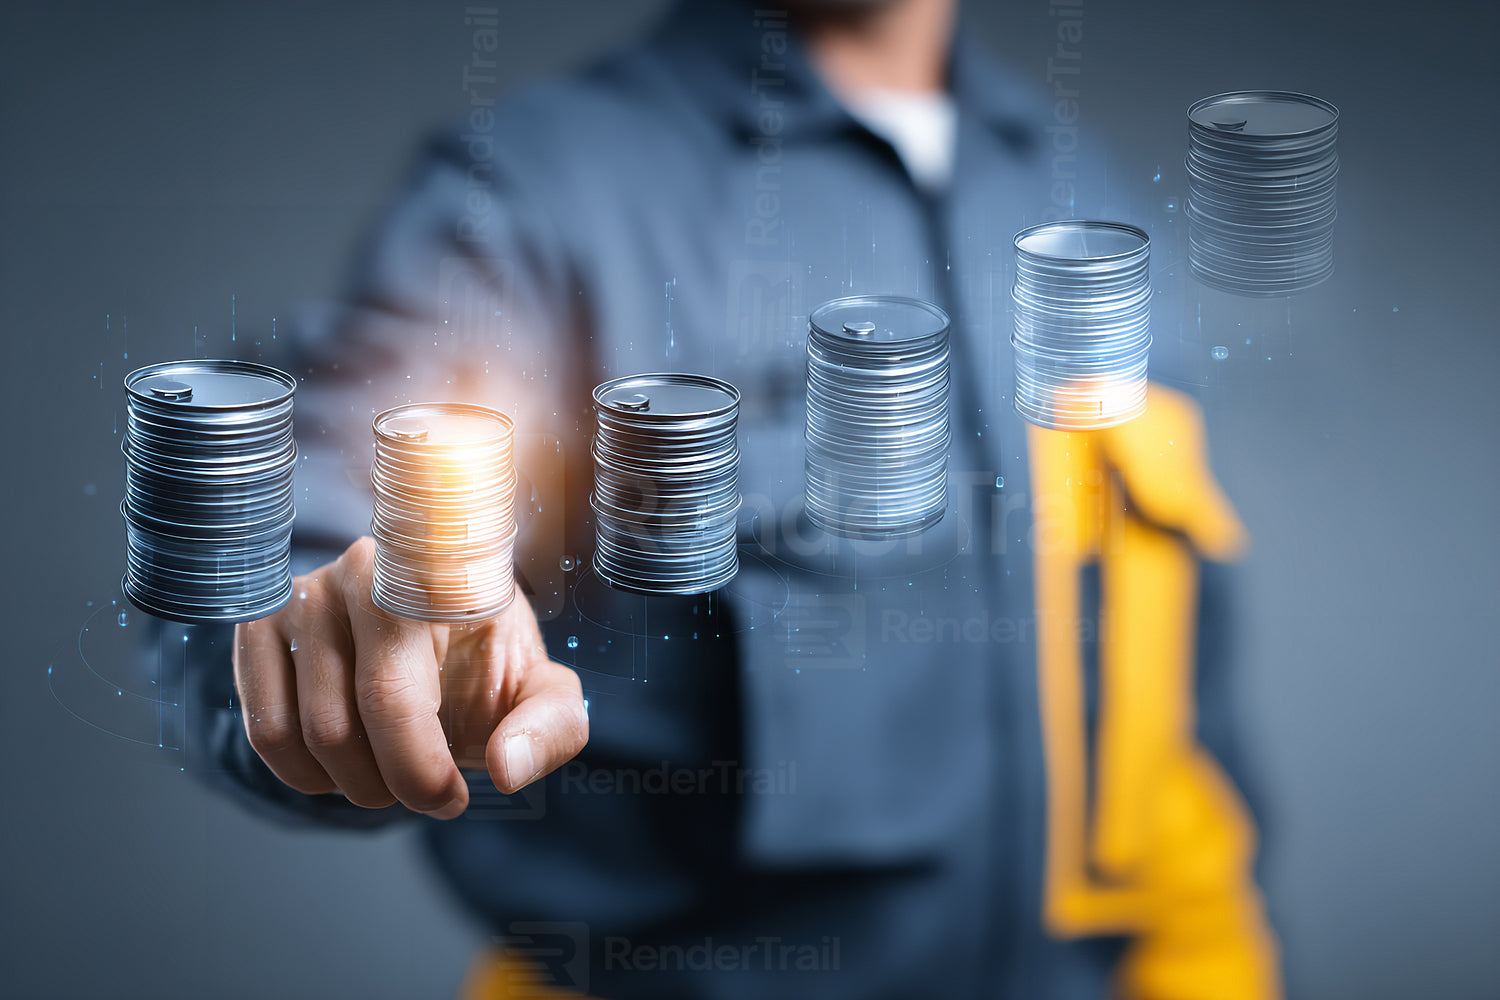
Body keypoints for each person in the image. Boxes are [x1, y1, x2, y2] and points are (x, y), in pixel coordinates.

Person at [189, 0, 1282, 996]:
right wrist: (329, 631)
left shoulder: (1080, 193)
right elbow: (297, 540)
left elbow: (1182, 704)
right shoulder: (534, 191)